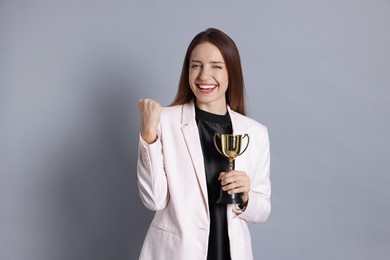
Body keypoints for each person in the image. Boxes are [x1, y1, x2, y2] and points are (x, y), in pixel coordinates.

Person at [137, 28, 271, 260]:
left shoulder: (255, 132)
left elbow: (262, 211)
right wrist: (149, 136)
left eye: (216, 66)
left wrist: (246, 195)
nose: (203, 76)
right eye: (196, 65)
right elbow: (153, 200)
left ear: (231, 72)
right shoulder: (164, 122)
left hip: (230, 253)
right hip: (177, 253)